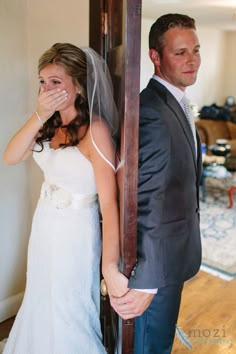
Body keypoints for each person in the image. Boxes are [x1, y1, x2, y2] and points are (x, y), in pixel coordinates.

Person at [3, 43, 128, 354]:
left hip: (75, 235)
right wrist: (39, 114)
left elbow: (110, 205)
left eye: (56, 82)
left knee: (67, 306)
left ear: (79, 85)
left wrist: (109, 265)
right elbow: (11, 156)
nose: (46, 89)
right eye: (42, 82)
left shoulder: (95, 130)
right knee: (41, 296)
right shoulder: (47, 124)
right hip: (44, 226)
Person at [111, 13, 202, 353]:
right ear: (155, 56)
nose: (192, 60)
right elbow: (146, 199)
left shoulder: (176, 102)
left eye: (195, 50)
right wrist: (146, 283)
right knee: (151, 347)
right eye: (180, 52)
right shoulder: (150, 111)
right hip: (156, 270)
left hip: (173, 257)